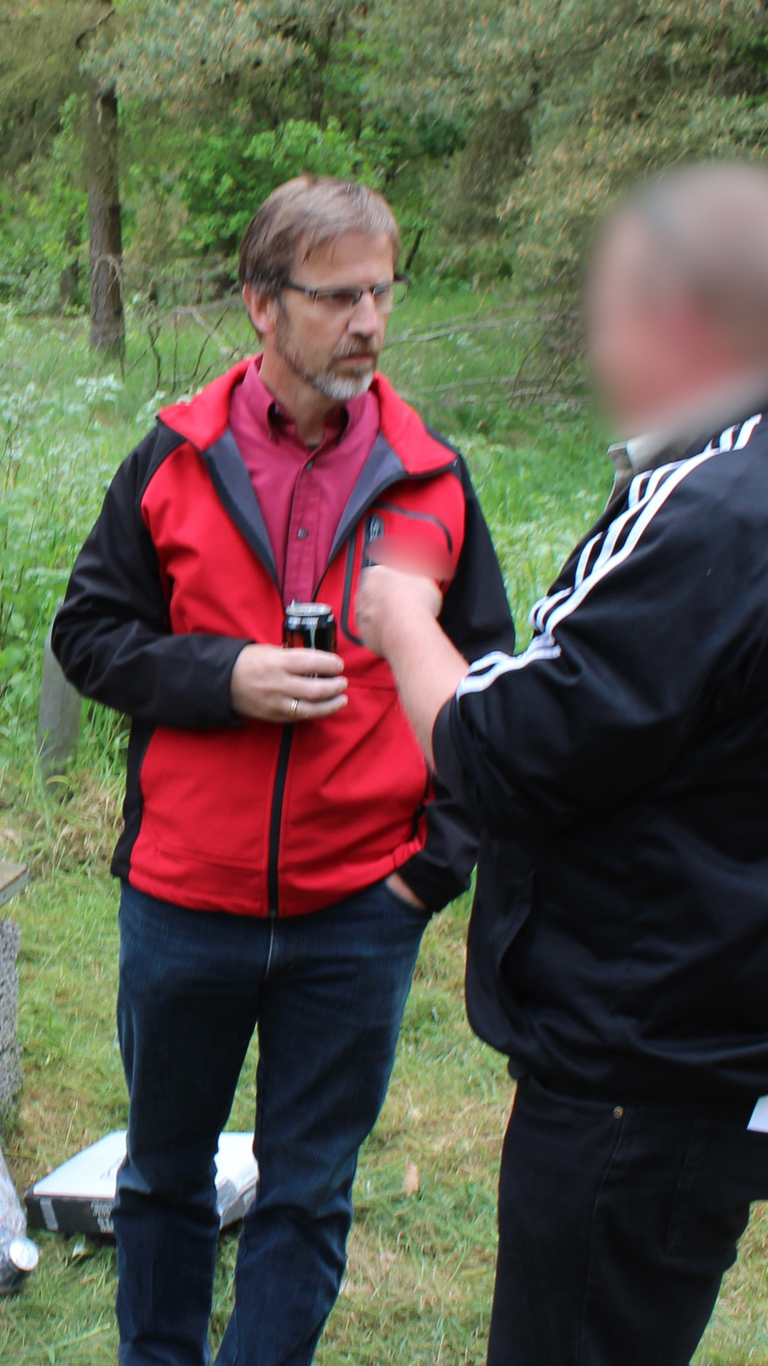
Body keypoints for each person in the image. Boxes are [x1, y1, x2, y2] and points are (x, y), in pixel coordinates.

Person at [52, 176, 513, 1366]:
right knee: (164, 1179)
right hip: (183, 900)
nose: (369, 321)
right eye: (338, 295)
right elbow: (89, 636)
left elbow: (494, 692)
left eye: (382, 291)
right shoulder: (175, 455)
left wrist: (429, 874)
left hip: (359, 912)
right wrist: (225, 679)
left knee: (306, 1190)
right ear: (262, 306)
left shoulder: (432, 476)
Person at [357, 160, 768, 1366]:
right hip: (713, 1025)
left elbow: (510, 751)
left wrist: (401, 623)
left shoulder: (714, 503)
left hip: (641, 1058)